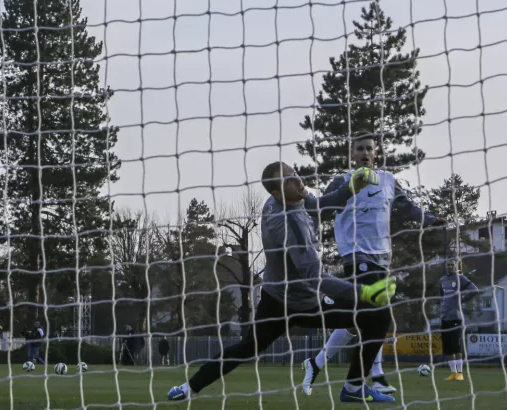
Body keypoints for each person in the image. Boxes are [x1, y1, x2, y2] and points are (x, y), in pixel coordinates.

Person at [166, 162, 397, 403]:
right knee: (376, 314)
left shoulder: (279, 201)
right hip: (303, 304)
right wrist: (363, 291)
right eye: (289, 180)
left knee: (247, 347)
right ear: (277, 193)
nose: (298, 181)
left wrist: (350, 189)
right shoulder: (290, 223)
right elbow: (314, 277)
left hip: (276, 296)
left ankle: (188, 388)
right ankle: (352, 387)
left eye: (294, 174)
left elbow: (318, 204)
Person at [302, 135, 448, 396]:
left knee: (358, 320)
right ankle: (357, 384)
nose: (365, 153)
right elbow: (321, 208)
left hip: (382, 259)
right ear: (352, 155)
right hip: (356, 256)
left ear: (376, 153)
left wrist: (431, 219)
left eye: (369, 148)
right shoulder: (343, 181)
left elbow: (407, 207)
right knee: (378, 317)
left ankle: (318, 362)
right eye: (360, 149)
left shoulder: (389, 180)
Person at [438, 259, 478, 381]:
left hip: (455, 317)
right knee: (448, 347)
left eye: (452, 265)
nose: (450, 266)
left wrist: (462, 300)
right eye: (448, 265)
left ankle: (460, 373)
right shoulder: (442, 280)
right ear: (446, 266)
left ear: (456, 266)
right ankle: (453, 373)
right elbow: (442, 296)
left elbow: (474, 290)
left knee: (456, 346)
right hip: (444, 317)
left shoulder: (460, 278)